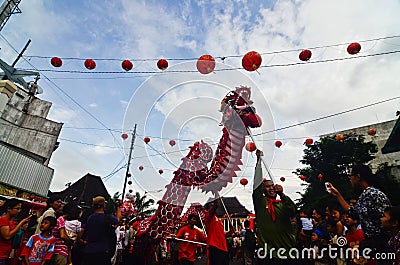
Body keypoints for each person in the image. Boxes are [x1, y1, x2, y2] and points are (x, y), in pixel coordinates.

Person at [328, 164, 391, 260]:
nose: (350, 179)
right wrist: (337, 195)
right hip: (375, 245)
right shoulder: (365, 195)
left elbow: (388, 222)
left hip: (382, 245)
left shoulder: (373, 195)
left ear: (358, 177)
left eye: (350, 176)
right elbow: (353, 213)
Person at [252, 150, 297, 264]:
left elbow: (293, 211)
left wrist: (282, 195)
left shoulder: (283, 203)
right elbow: (256, 185)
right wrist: (258, 162)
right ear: (263, 190)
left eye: (273, 186)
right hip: (268, 254)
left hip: (287, 252)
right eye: (267, 187)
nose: (271, 188)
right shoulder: (260, 203)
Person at [82, 196, 121, 265]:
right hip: (103, 251)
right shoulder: (107, 217)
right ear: (104, 205)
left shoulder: (90, 218)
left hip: (89, 250)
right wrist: (118, 207)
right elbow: (117, 220)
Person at [0, 198, 32, 265]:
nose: (19, 211)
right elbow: (7, 236)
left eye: (20, 209)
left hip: (6, 254)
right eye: (17, 209)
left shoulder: (11, 221)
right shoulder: (3, 220)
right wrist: (20, 224)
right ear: (9, 209)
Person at [203, 196, 229, 265]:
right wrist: (216, 189)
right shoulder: (208, 216)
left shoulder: (218, 220)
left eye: (212, 205)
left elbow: (222, 234)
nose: (212, 206)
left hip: (223, 248)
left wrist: (230, 233)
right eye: (210, 205)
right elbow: (217, 204)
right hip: (215, 247)